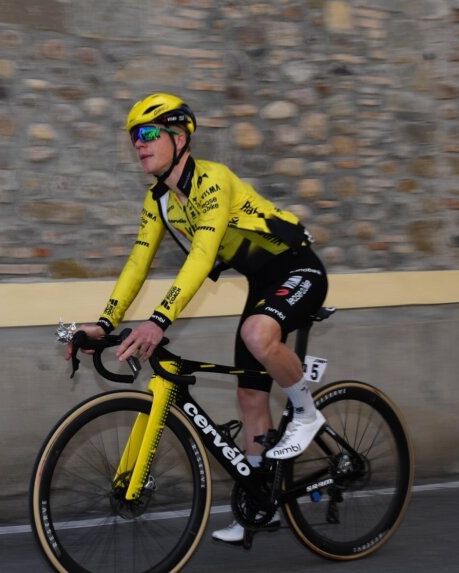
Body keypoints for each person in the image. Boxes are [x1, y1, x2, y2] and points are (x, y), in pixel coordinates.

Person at [66, 93, 329, 543]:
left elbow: (201, 257)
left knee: (256, 333)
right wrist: (105, 323)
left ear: (179, 137)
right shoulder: (160, 201)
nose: (139, 143)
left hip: (299, 269)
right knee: (250, 397)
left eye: (148, 133)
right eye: (134, 137)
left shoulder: (213, 181)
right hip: (262, 282)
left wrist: (158, 321)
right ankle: (259, 505)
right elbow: (137, 263)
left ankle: (306, 412)